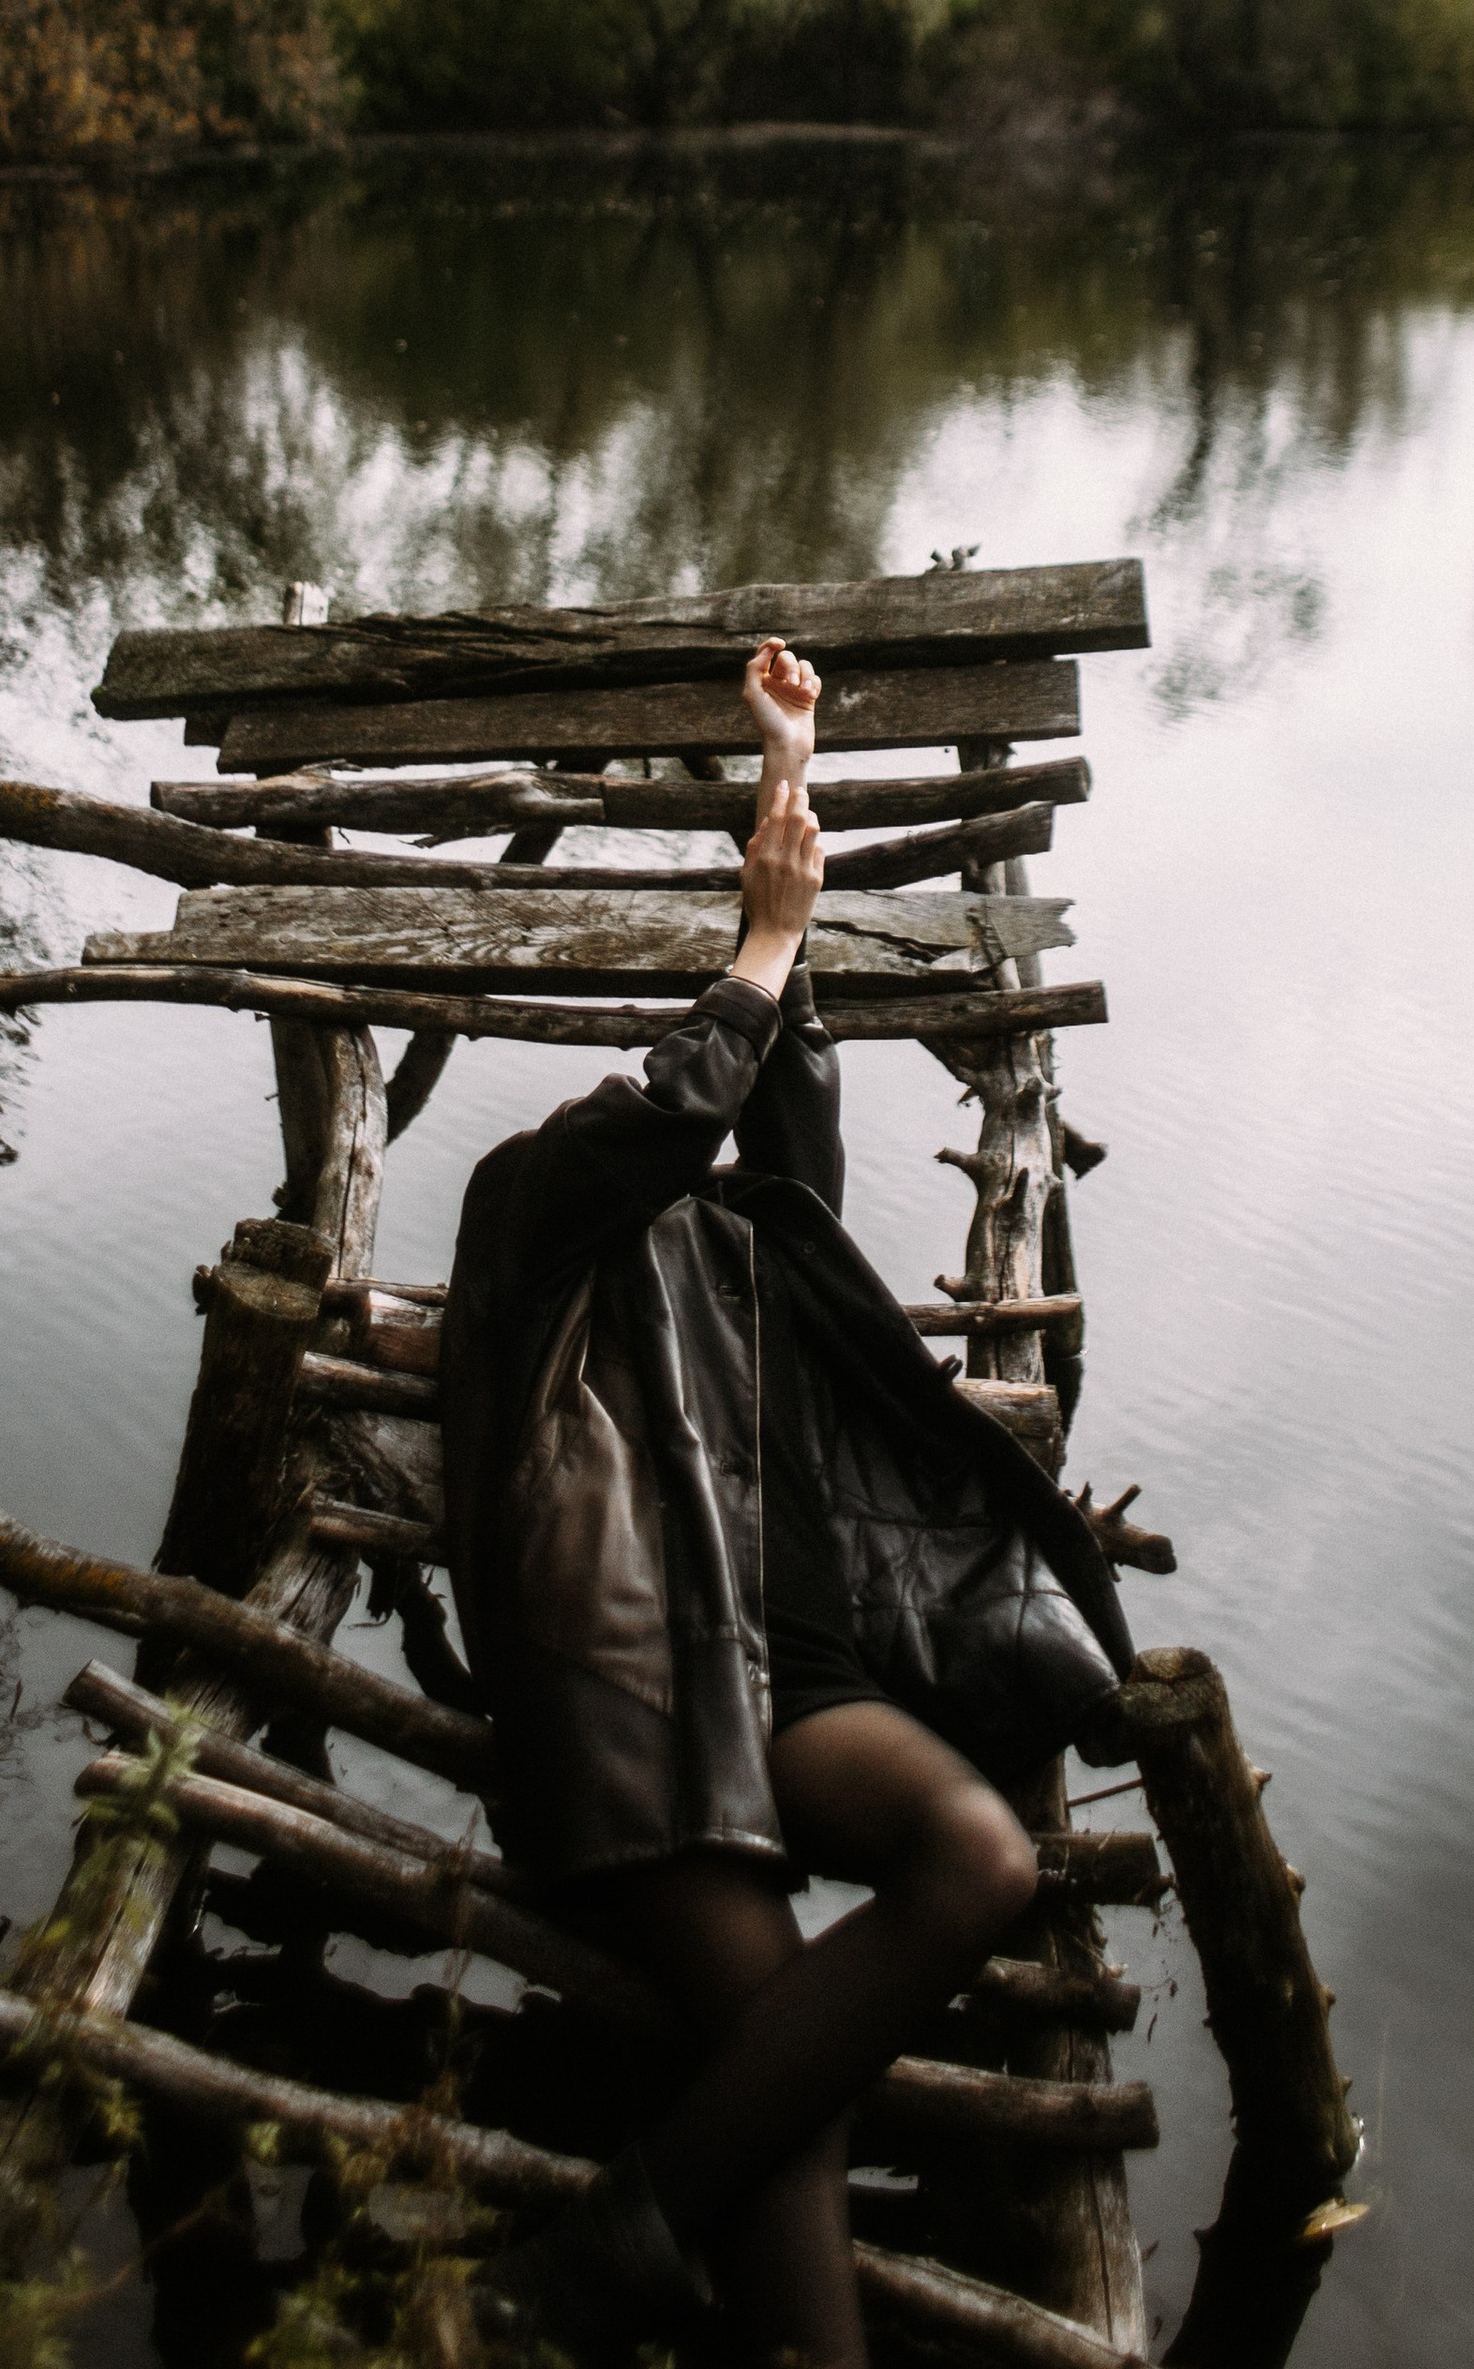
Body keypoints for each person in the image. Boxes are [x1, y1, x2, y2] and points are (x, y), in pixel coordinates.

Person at [440, 637, 1134, 2363]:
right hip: (644, 1712)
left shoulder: (757, 1243)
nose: (698, 1101)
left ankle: (632, 2224)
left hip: (793, 1690)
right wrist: (748, 954)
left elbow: (777, 1105)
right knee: (788, 2079)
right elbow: (670, 1115)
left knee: (975, 1859)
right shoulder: (527, 1218)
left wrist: (783, 784)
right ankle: (694, 2284)